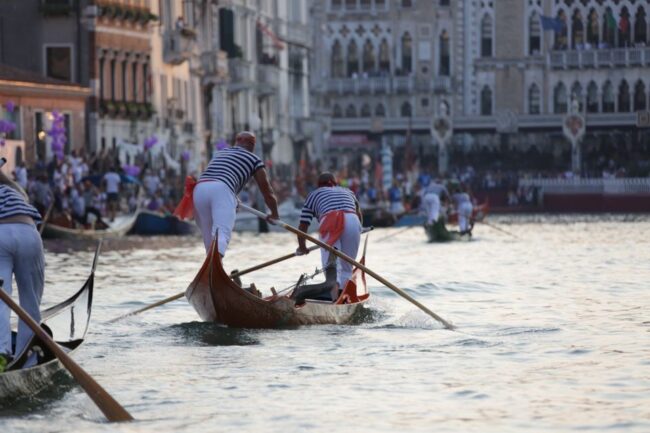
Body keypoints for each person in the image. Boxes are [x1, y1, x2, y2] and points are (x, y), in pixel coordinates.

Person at [177, 131, 279, 255]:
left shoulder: (221, 153)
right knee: (221, 234)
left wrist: (233, 198)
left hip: (199, 189)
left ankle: (212, 270)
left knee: (209, 240)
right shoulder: (254, 160)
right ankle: (214, 269)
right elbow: (267, 192)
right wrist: (274, 214)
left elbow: (219, 175)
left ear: (236, 142)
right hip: (221, 189)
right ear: (252, 145)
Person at [0, 169, 44, 372]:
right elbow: (24, 194)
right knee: (30, 303)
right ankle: (29, 359)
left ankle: (1, 352)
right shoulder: (14, 192)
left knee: (1, 300)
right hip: (28, 232)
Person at [296, 172, 362, 301]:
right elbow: (359, 213)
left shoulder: (313, 195)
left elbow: (303, 226)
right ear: (335, 183)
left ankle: (333, 294)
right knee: (347, 266)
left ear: (318, 185)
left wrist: (302, 247)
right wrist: (358, 231)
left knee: (331, 268)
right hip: (353, 221)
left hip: (330, 222)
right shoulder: (348, 191)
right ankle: (343, 297)